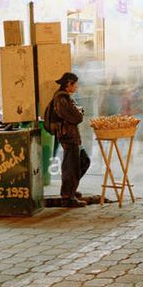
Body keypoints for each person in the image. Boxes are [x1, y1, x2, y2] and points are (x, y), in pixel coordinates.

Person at [44, 72, 89, 207]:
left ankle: (71, 190)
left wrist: (78, 111)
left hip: (71, 136)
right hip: (68, 136)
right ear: (69, 84)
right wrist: (79, 111)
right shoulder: (62, 99)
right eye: (75, 84)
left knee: (83, 161)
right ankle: (67, 197)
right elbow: (76, 117)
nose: (76, 87)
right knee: (71, 166)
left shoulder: (65, 98)